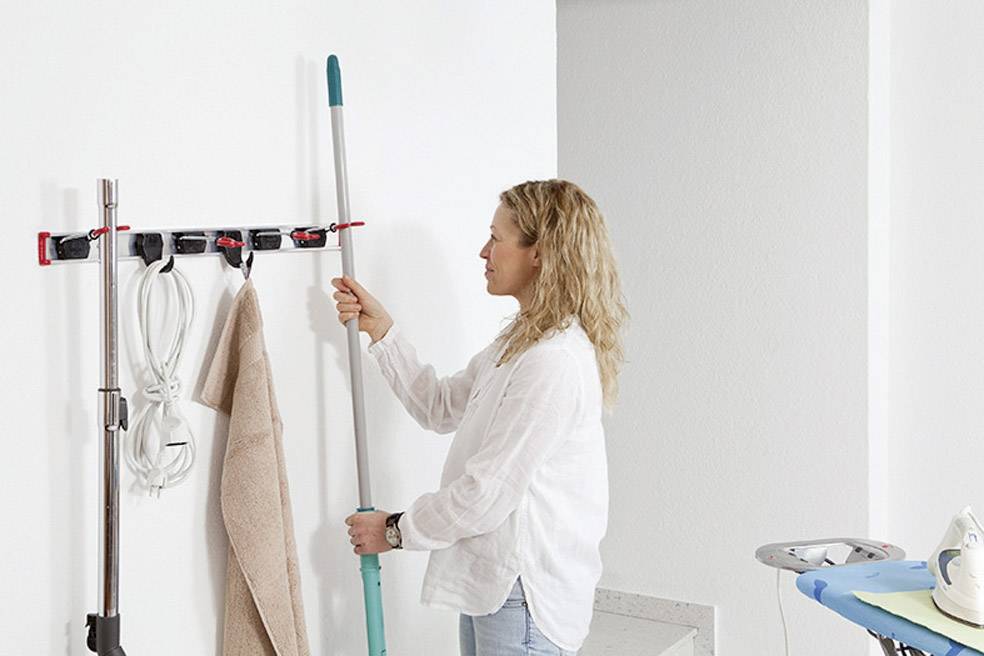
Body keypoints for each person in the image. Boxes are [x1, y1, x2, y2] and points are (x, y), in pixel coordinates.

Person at [333, 179, 628, 655]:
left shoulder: (552, 362)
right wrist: (382, 332)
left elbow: (486, 494)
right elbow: (442, 406)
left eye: (497, 237)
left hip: (525, 594)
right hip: (494, 583)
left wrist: (395, 530)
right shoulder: (522, 344)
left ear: (539, 252)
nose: (483, 251)